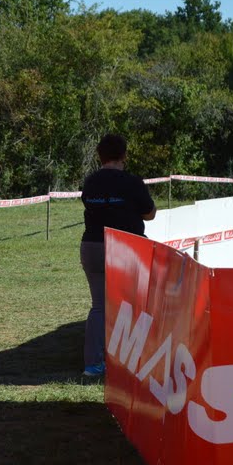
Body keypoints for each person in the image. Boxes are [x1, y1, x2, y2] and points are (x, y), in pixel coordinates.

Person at [80, 134, 156, 377]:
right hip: (125, 247)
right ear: (124, 155)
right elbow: (149, 213)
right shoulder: (132, 182)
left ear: (100, 156)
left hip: (92, 245)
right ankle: (131, 361)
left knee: (99, 307)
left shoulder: (90, 181)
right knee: (133, 305)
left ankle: (93, 364)